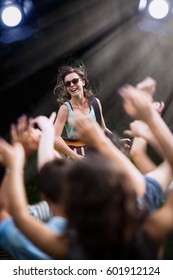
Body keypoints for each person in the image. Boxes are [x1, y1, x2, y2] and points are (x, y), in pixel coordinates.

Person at [0, 114, 68, 260]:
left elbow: (6, 214)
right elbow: (57, 180)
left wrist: (17, 159)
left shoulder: (25, 235)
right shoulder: (82, 226)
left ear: (45, 194)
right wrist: (45, 140)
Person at [53, 63, 111, 159]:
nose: (72, 85)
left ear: (83, 82)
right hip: (78, 161)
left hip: (99, 156)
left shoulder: (96, 103)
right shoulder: (65, 109)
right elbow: (55, 137)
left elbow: (103, 129)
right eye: (67, 83)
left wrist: (118, 142)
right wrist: (75, 156)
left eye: (75, 81)